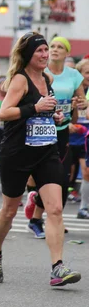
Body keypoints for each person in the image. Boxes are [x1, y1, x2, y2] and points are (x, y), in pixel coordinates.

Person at [0, 32, 81, 287]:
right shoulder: (20, 80)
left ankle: (57, 267)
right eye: (39, 51)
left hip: (46, 152)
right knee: (8, 210)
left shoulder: (46, 79)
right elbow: (4, 113)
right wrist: (35, 109)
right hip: (17, 154)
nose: (44, 55)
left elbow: (44, 110)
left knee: (56, 208)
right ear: (28, 55)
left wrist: (55, 116)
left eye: (45, 51)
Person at [24, 36, 86, 238]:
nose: (56, 50)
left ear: (67, 52)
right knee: (52, 176)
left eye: (60, 47)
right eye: (53, 46)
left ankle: (49, 217)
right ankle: (37, 218)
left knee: (63, 178)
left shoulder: (74, 75)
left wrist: (80, 105)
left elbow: (80, 103)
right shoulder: (41, 72)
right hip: (41, 130)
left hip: (63, 131)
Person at [69, 58, 89, 217]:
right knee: (67, 173)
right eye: (86, 73)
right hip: (69, 137)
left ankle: (83, 207)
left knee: (86, 170)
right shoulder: (72, 88)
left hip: (85, 139)